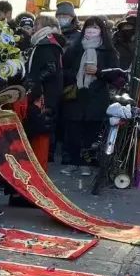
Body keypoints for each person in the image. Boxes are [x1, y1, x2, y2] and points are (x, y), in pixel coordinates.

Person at [61, 16, 116, 175]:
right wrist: (76, 75)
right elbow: (64, 70)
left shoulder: (108, 51)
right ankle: (73, 162)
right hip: (76, 96)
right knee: (73, 131)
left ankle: (86, 163)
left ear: (102, 31)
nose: (91, 30)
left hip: (96, 97)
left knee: (91, 133)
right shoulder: (75, 48)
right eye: (89, 27)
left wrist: (98, 73)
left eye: (95, 27)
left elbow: (114, 75)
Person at [24, 14, 66, 166]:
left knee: (40, 133)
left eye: (37, 24)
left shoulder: (46, 43)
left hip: (42, 96)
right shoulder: (51, 43)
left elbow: (50, 69)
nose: (34, 28)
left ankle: (38, 170)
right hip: (48, 94)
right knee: (42, 133)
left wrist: (33, 82)